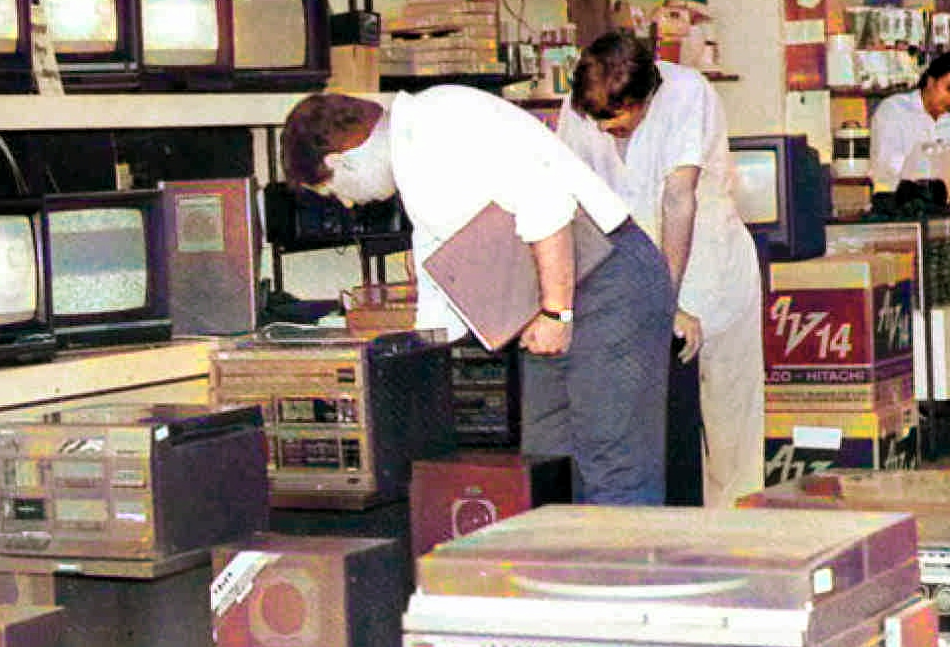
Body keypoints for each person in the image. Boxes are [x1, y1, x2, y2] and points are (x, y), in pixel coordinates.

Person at [279, 87, 674, 506]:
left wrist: (557, 314)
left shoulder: (436, 129)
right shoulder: (415, 152)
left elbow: (546, 202)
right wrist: (400, 358)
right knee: (546, 464)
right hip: (561, 293)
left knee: (613, 466)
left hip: (606, 277)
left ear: (341, 162)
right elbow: (438, 282)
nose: (347, 202)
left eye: (335, 190)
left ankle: (622, 548)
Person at [556, 31, 764, 507]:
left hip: (708, 268)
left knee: (730, 429)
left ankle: (740, 534)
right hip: (624, 274)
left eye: (617, 120)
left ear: (646, 97)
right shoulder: (578, 108)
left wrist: (665, 301)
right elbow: (571, 198)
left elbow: (678, 198)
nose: (606, 130)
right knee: (646, 427)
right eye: (598, 120)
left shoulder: (688, 93)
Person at [868, 50, 950, 193]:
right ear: (930, 81)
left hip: (942, 202)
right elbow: (888, 165)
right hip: (896, 200)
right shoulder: (894, 110)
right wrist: (939, 166)